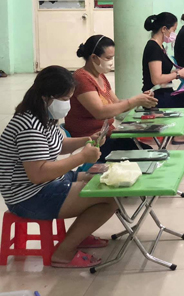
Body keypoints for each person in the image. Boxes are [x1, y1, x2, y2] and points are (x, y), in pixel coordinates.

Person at [0, 66, 115, 268]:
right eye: (64, 99)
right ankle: (64, 253)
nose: (67, 104)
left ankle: (80, 235)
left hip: (49, 184)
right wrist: (81, 157)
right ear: (47, 96)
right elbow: (38, 174)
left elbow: (58, 145)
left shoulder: (45, 117)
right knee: (110, 197)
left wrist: (88, 139)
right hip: (29, 197)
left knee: (101, 178)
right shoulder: (29, 125)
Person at [65, 35, 159, 160]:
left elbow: (117, 103)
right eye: (108, 58)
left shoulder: (100, 76)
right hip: (92, 142)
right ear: (94, 58)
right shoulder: (81, 79)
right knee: (146, 156)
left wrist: (141, 99)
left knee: (148, 152)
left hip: (107, 135)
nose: (111, 62)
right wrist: (134, 101)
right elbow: (100, 112)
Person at [143, 12, 184, 144]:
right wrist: (178, 74)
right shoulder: (153, 48)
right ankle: (180, 136)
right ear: (164, 29)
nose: (173, 34)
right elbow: (156, 79)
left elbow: (163, 71)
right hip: (155, 97)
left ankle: (183, 132)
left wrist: (179, 69)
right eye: (173, 30)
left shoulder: (159, 47)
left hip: (163, 92)